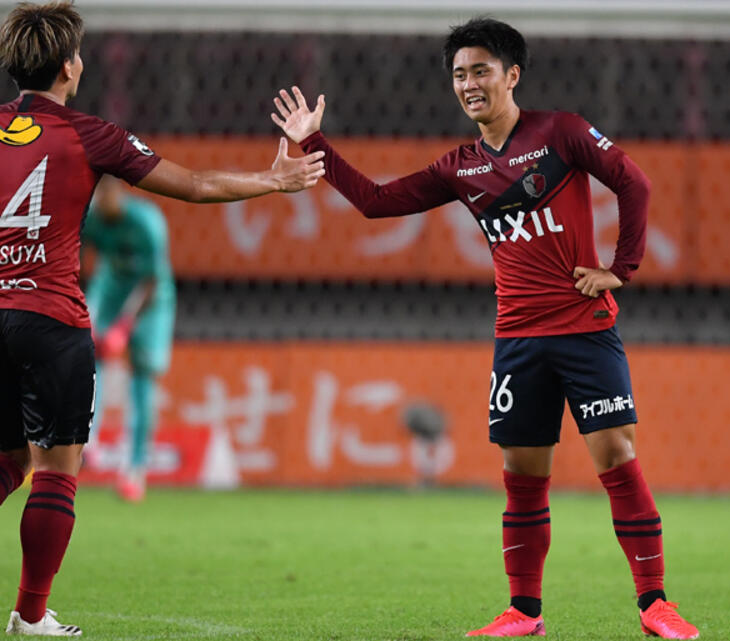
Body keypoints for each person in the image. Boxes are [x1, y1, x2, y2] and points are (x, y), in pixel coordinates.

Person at [271, 16, 699, 640]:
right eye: (459, 74)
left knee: (617, 456)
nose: (469, 84)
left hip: (583, 328)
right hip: (517, 339)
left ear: (512, 75)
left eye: (480, 71)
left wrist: (620, 269)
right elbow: (376, 202)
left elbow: (635, 182)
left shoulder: (561, 132)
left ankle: (655, 604)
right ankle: (524, 611)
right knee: (523, 476)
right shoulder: (460, 167)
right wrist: (313, 143)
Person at [0, 2, 323, 636]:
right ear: (69, 66)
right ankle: (31, 615)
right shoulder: (91, 134)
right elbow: (196, 185)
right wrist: (273, 180)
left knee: (11, 455)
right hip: (51, 318)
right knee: (55, 469)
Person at [82, 176, 176, 503]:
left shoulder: (147, 223)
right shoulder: (91, 219)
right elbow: (78, 259)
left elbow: (152, 281)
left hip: (150, 302)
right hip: (111, 290)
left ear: (117, 192)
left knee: (142, 377)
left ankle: (135, 469)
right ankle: (87, 439)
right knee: (86, 354)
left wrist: (123, 327)